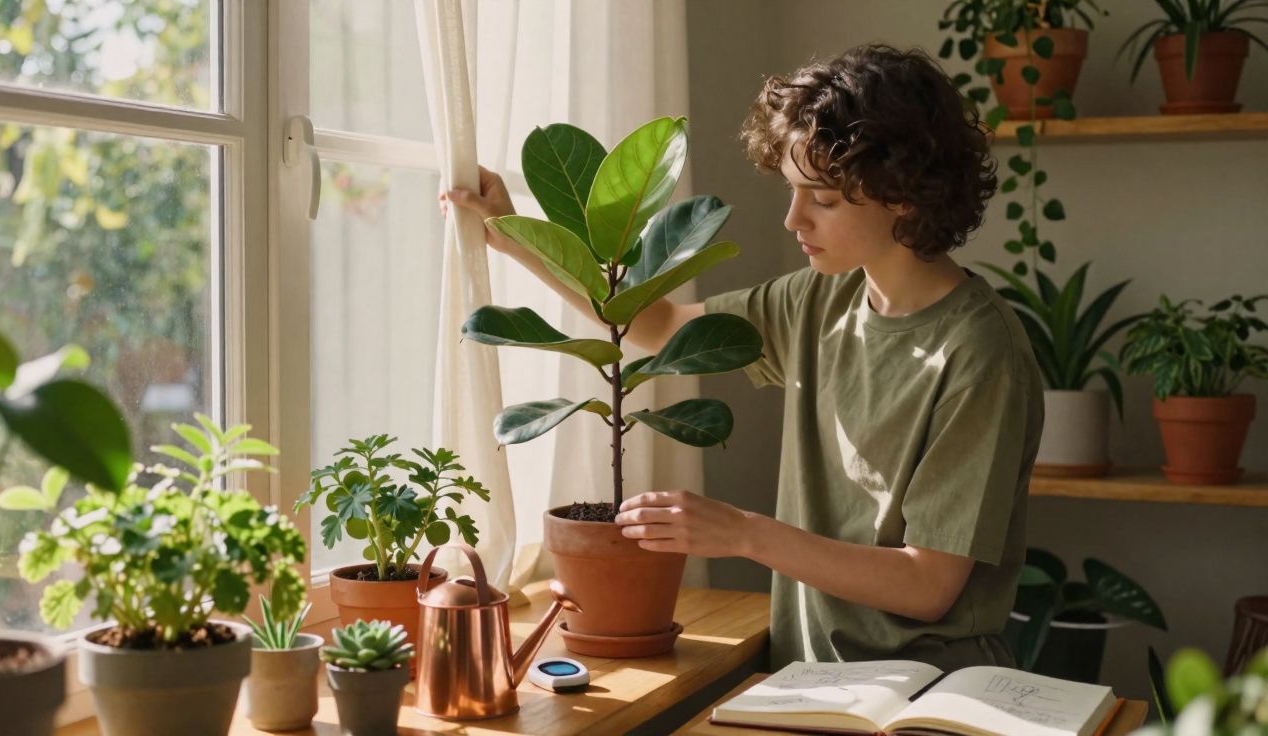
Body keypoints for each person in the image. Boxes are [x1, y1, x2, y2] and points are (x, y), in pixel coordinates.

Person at [441, 43, 1043, 672]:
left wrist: (741, 533)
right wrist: (513, 235)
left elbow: (927, 586)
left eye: (823, 199)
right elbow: (659, 324)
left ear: (904, 195)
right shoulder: (821, 298)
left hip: (929, 692)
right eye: (792, 190)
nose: (792, 219)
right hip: (812, 685)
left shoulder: (979, 353)